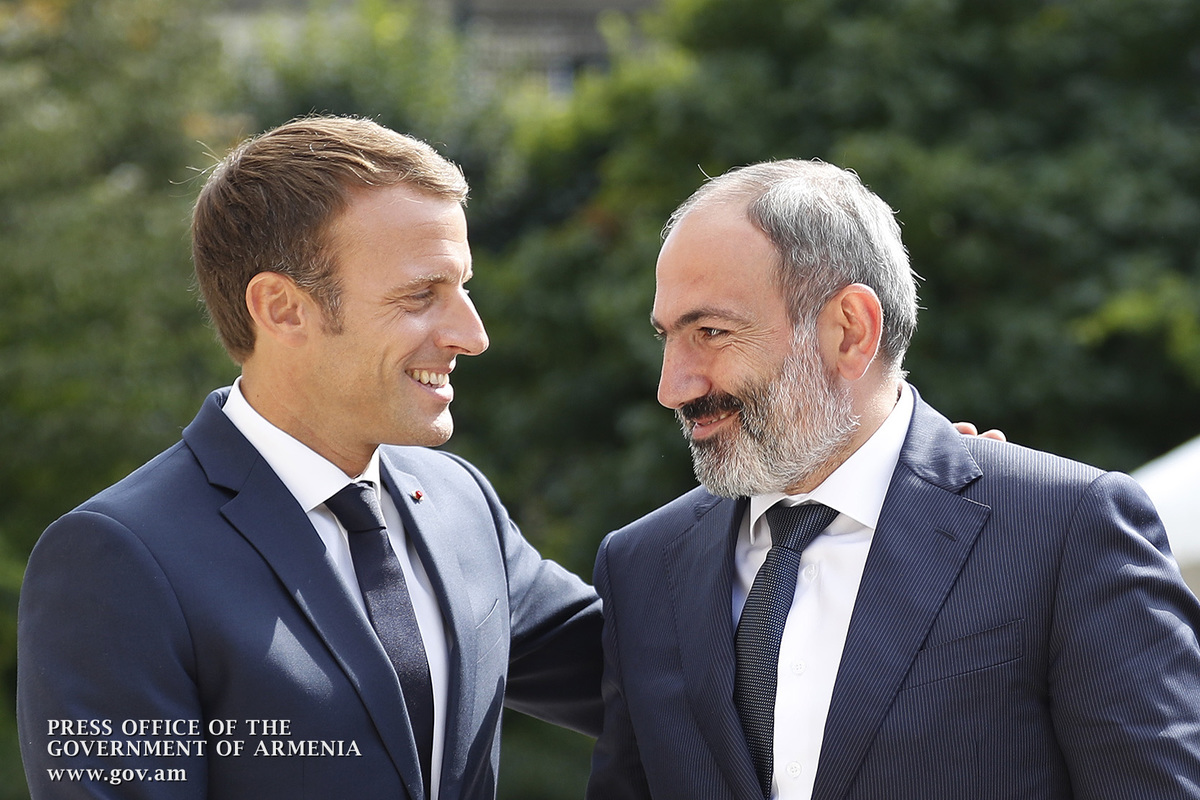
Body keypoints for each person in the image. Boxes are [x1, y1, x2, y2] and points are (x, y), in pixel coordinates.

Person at [17, 116, 602, 800]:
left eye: (463, 287)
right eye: (422, 294)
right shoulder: (115, 559)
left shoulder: (460, 501)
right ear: (282, 309)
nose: (472, 335)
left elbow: (654, 673)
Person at [586, 159, 1200, 800]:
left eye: (711, 332)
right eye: (668, 337)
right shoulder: (641, 566)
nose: (672, 387)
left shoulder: (1063, 531)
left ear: (851, 331)